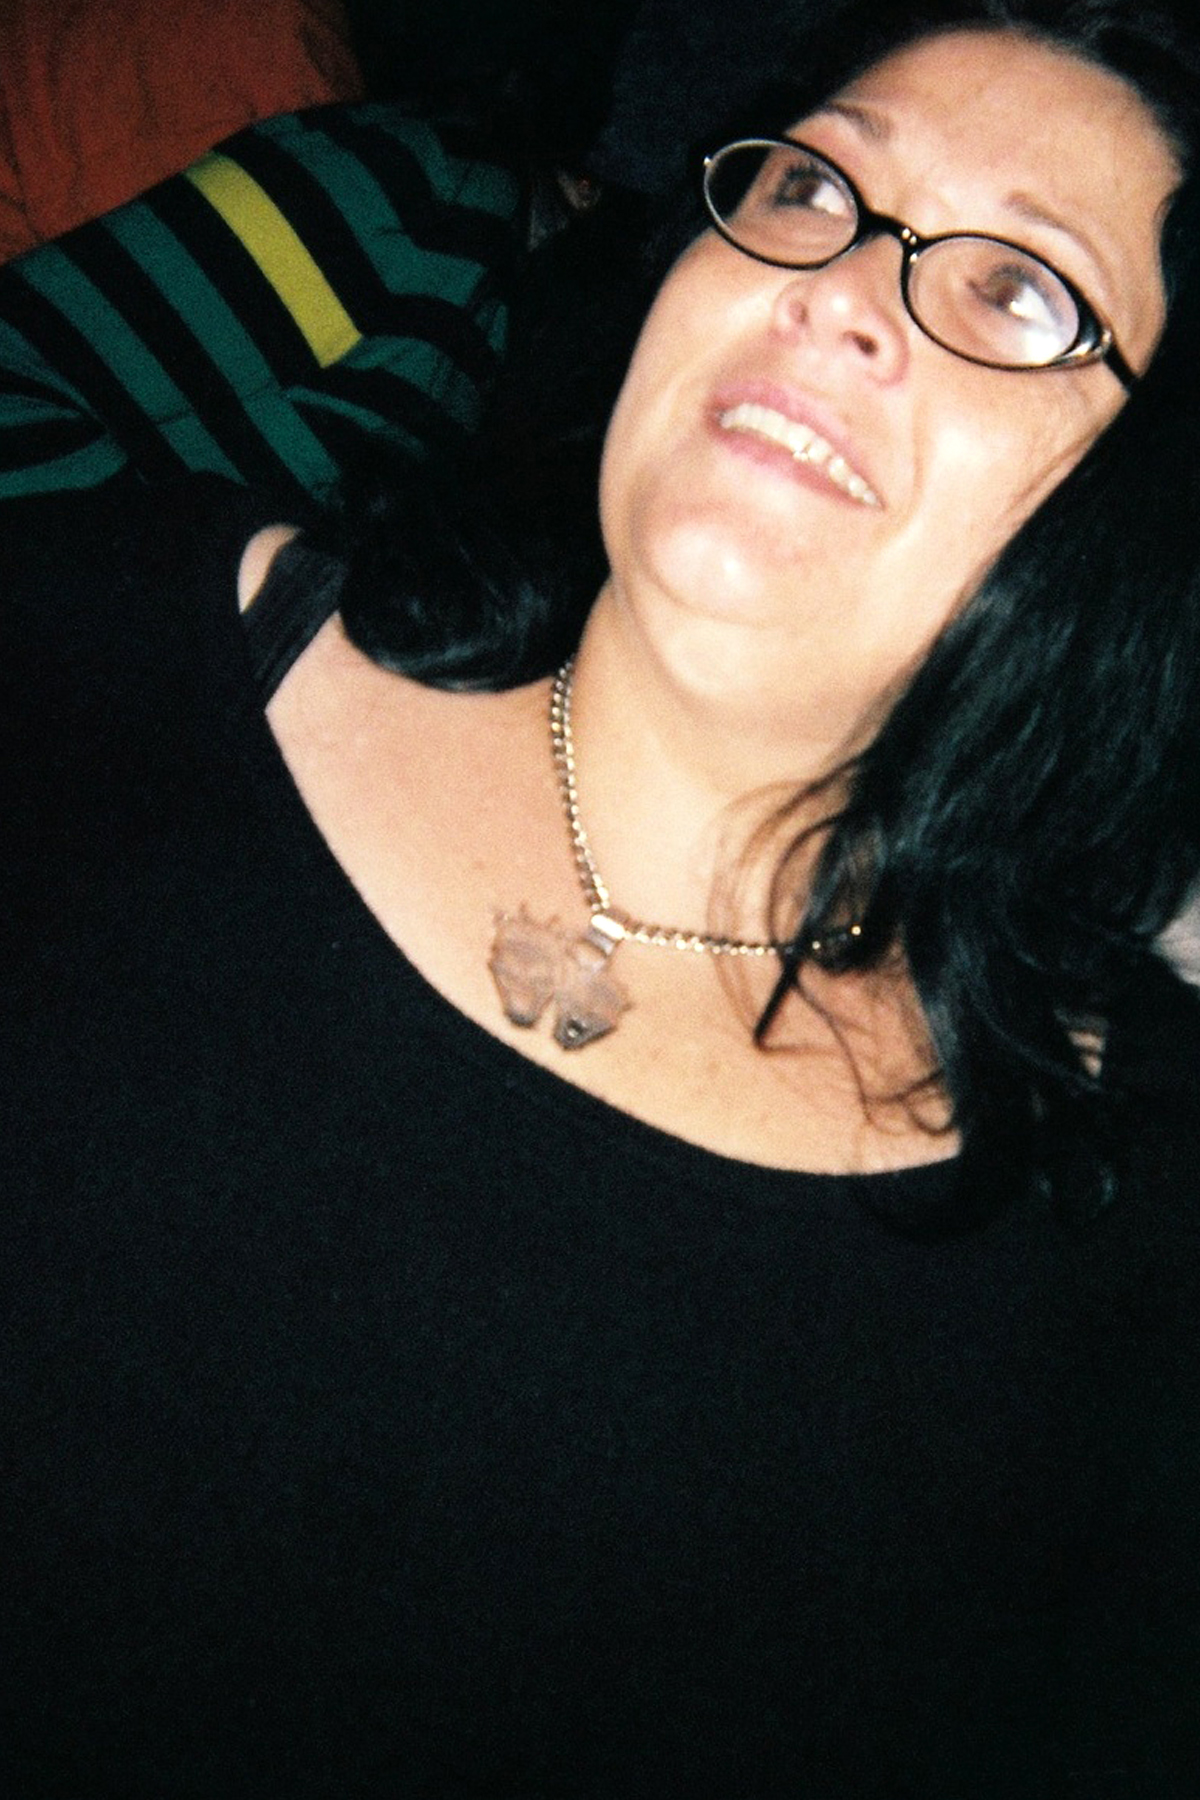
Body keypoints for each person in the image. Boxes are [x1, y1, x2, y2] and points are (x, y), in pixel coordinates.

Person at [4, 1, 1200, 1793]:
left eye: (1022, 289)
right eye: (813, 187)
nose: (837, 287)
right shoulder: (113, 636)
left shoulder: (1143, 1229)